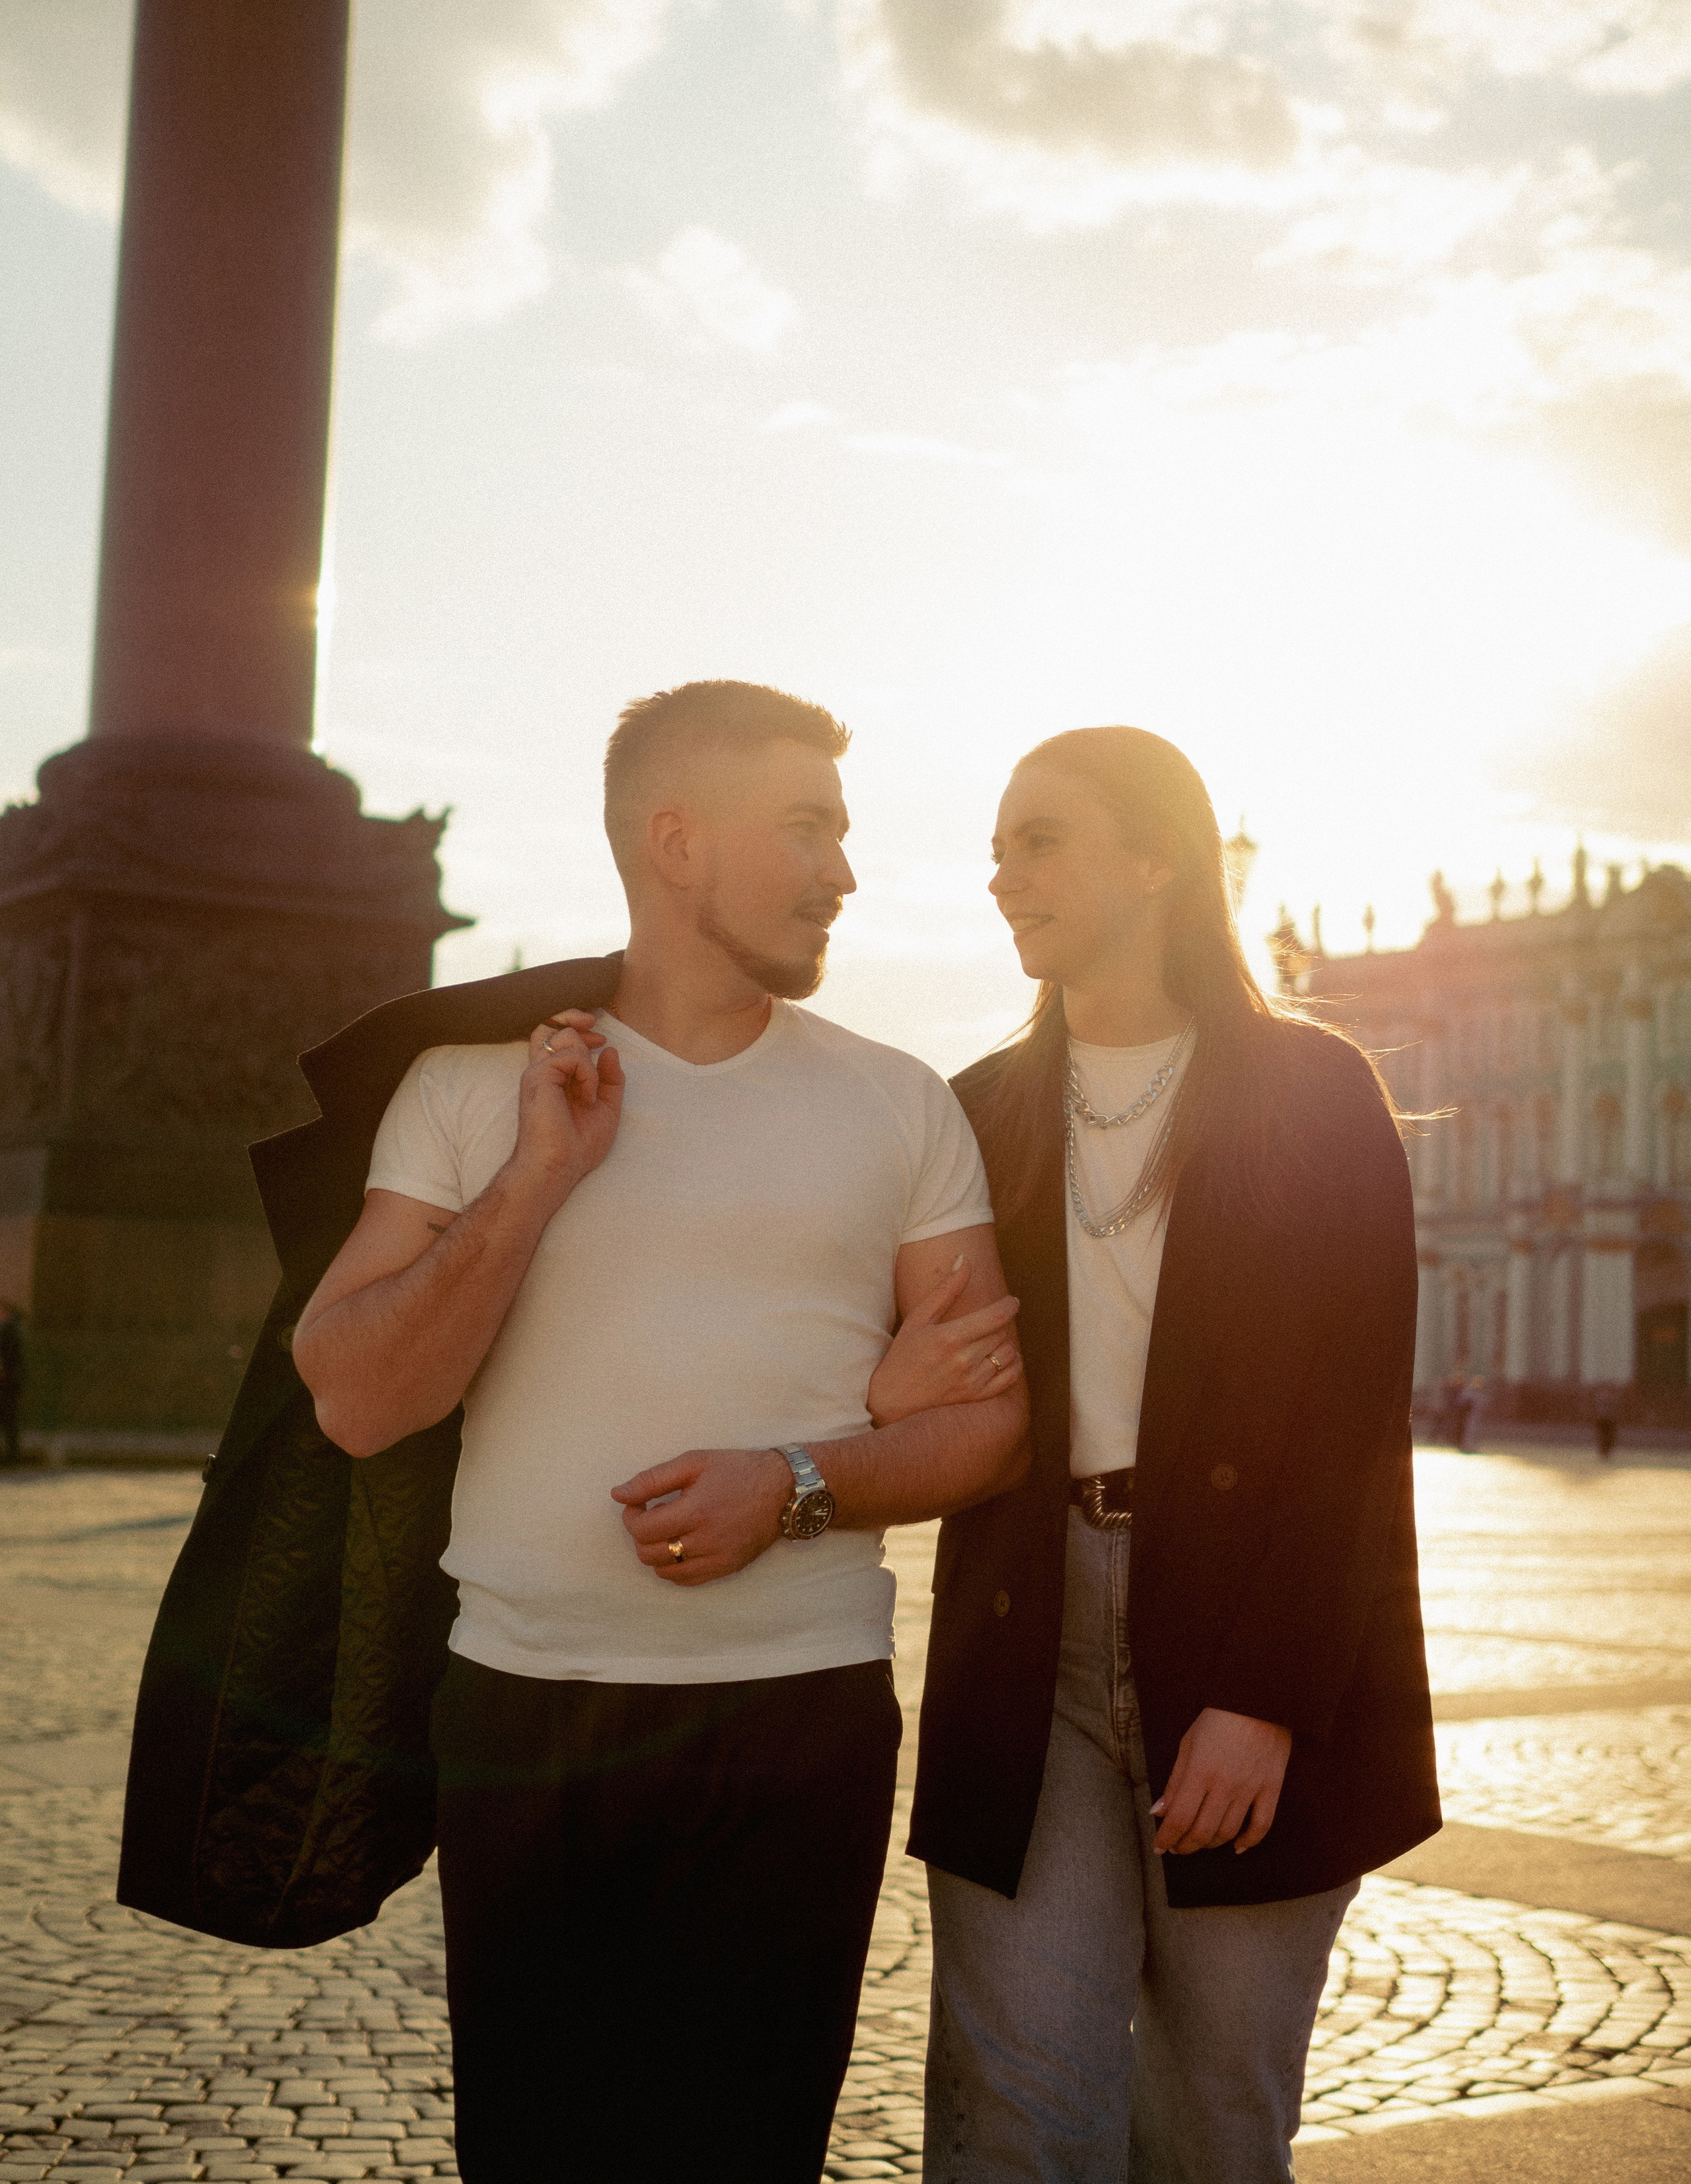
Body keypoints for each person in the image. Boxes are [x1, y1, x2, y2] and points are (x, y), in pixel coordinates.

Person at [286, 680, 1029, 2183]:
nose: (843, 870)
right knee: (537, 2155)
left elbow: (985, 1425)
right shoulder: (474, 1092)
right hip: (521, 1711)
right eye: (807, 828)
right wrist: (537, 1178)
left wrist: (800, 1481)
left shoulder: (897, 1108)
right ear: (673, 841)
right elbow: (358, 1391)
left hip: (794, 1712)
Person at [869, 727, 1439, 2183]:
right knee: (1013, 2113)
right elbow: (903, 1365)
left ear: (1155, 857)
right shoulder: (977, 1107)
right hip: (1026, 1636)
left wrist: (1260, 1694)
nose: (1001, 874)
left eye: (1037, 838)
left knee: (1213, 2119)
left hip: (1253, 1635)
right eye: (996, 844)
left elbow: (1351, 1428)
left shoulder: (1313, 1092)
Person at [0, 1301, 22, 1467]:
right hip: (9, 1380)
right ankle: (11, 1456)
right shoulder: (11, 1328)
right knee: (9, 1419)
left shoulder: (11, 1329)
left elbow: (12, 1355)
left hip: (8, 1381)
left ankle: (12, 1456)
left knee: (9, 1418)